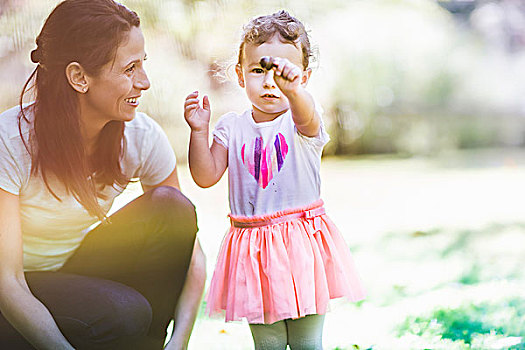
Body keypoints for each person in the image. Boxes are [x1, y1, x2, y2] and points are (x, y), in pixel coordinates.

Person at [0, 0, 206, 349]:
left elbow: (190, 252)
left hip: (77, 273)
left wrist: (179, 342)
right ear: (79, 77)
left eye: (144, 65)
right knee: (125, 313)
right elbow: (8, 281)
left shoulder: (141, 136)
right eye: (129, 69)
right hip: (15, 293)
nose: (145, 82)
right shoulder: (10, 140)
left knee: (173, 207)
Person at [183, 10, 366, 350]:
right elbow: (205, 176)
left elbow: (305, 111)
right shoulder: (231, 127)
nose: (271, 82)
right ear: (240, 75)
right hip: (252, 249)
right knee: (267, 344)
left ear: (303, 77)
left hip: (300, 245)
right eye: (258, 70)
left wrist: (293, 91)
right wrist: (199, 130)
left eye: (283, 72)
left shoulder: (303, 123)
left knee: (306, 343)